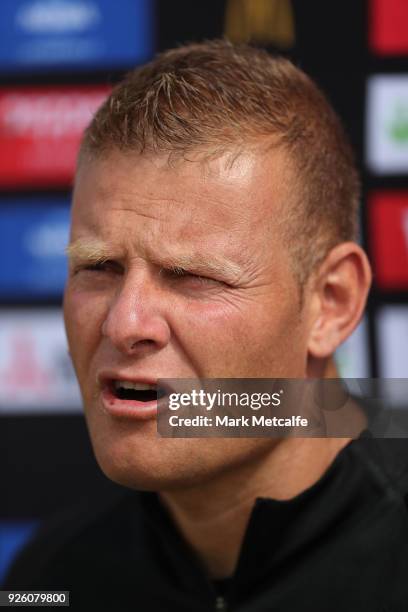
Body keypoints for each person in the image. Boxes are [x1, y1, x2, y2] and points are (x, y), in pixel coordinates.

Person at [5, 40, 408, 611]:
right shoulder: (50, 578)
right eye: (99, 267)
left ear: (332, 303)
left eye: (192, 277)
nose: (125, 323)